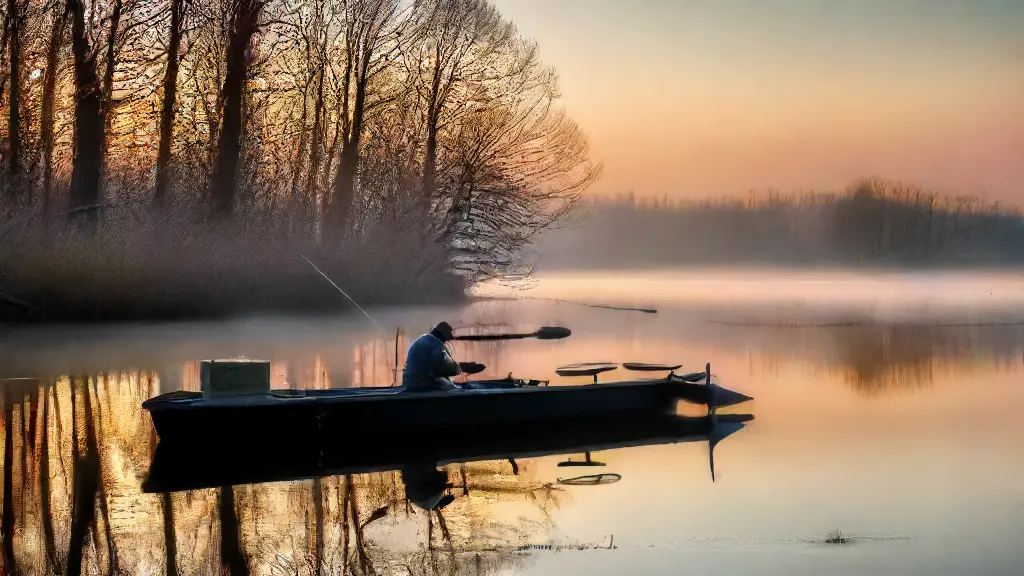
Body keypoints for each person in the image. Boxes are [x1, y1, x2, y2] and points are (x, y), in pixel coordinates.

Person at [401, 321, 462, 392]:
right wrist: (458, 368)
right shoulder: (436, 345)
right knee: (456, 390)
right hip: (424, 383)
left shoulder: (422, 339)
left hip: (410, 383)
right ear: (444, 335)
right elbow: (446, 367)